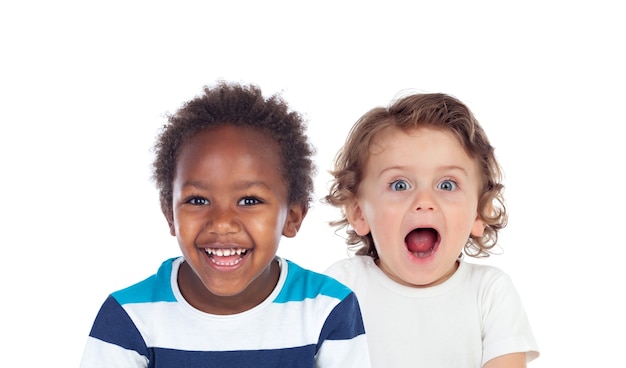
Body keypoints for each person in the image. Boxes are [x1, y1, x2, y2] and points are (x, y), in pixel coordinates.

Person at [80, 81, 371, 368]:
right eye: (197, 200)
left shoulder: (327, 308)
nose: (221, 224)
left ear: (293, 216)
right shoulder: (131, 317)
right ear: (170, 214)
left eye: (249, 201)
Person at [323, 92, 539, 368]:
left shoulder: (489, 293)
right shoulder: (344, 286)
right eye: (400, 185)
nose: (424, 202)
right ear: (359, 213)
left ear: (478, 213)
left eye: (447, 185)